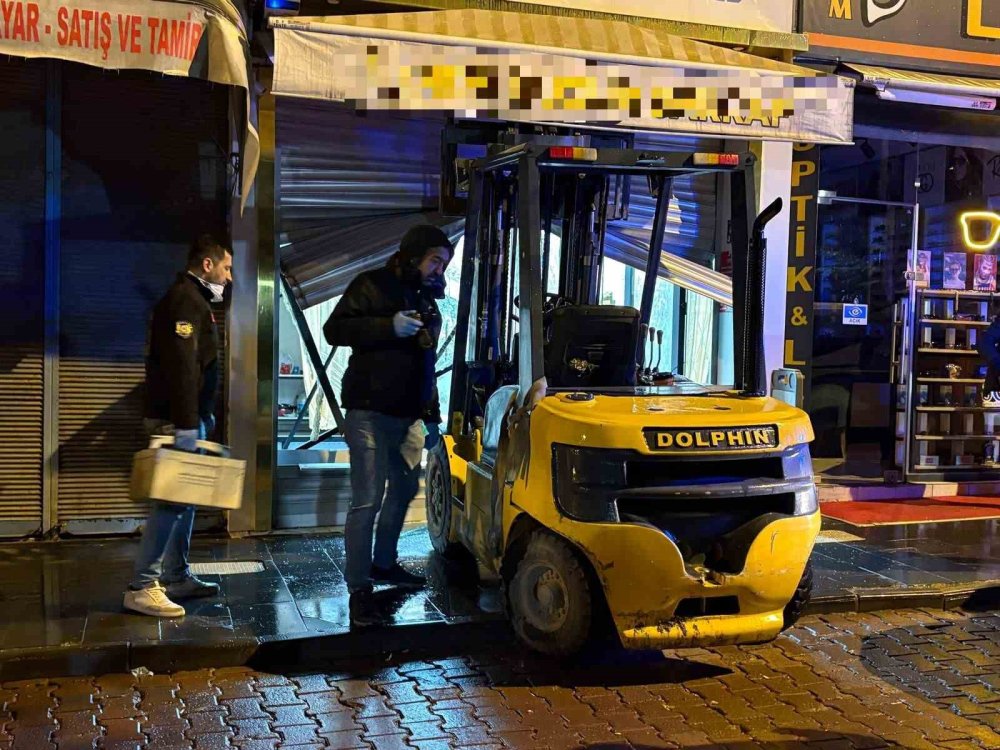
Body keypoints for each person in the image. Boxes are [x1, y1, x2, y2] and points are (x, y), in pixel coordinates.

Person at [324, 224, 452, 626]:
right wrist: (387, 326)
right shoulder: (371, 285)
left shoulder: (427, 302)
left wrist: (431, 417)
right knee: (367, 499)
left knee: (404, 489)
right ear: (413, 256)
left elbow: (427, 365)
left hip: (408, 416)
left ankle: (383, 563)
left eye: (444, 264)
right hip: (369, 412)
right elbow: (334, 330)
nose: (439, 270)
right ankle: (359, 588)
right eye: (435, 261)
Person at [123, 235, 232, 618]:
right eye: (226, 268)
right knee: (171, 501)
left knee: (184, 498)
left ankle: (176, 576)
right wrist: (187, 423)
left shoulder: (193, 299)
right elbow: (182, 367)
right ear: (207, 265)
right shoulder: (185, 300)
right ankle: (141, 587)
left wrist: (201, 416)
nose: (228, 277)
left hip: (188, 418)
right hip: (176, 419)